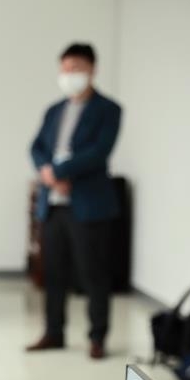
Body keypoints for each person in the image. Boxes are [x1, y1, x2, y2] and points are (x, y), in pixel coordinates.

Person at [27, 43, 122, 360]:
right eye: (65, 69)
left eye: (77, 68)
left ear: (92, 69)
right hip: (53, 205)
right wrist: (48, 172)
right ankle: (53, 332)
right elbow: (37, 146)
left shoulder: (108, 110)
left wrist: (60, 170)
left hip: (89, 204)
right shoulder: (55, 110)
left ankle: (97, 337)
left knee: (93, 274)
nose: (70, 75)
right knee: (53, 273)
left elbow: (99, 152)